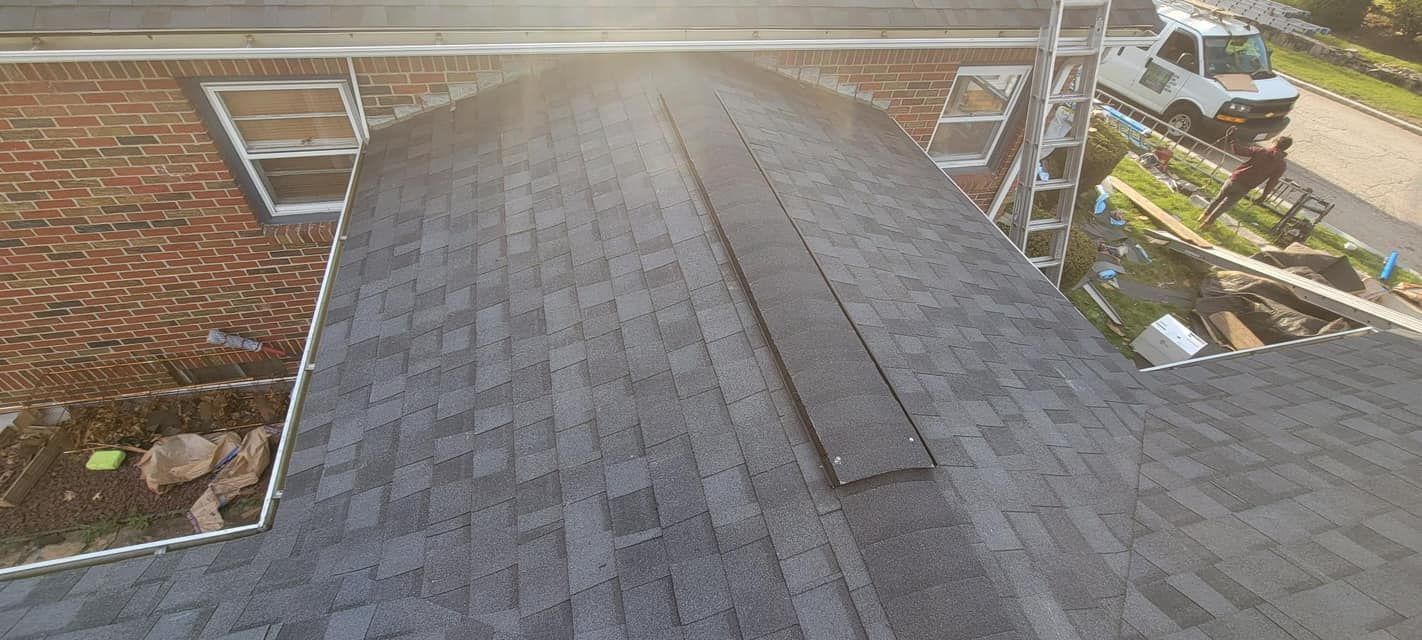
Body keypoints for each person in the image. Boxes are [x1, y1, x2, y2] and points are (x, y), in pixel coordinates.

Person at [1200, 128, 1292, 228]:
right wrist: (1264, 196)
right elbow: (1272, 182)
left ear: (1275, 143)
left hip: (1235, 179)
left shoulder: (1261, 151)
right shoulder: (1281, 165)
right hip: (1246, 187)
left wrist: (1233, 137)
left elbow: (1238, 150)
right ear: (1286, 148)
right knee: (1225, 205)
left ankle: (1203, 216)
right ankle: (1207, 223)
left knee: (1219, 198)